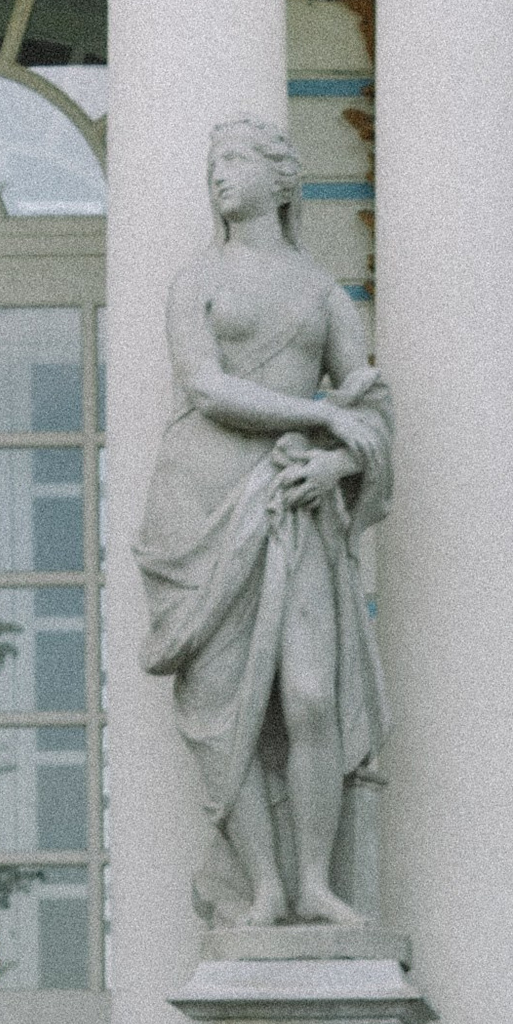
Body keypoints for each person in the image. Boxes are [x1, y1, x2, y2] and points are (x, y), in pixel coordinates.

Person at [134, 112, 391, 930]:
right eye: (215, 161)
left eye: (237, 159)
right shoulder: (195, 281)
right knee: (222, 709)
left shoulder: (322, 293)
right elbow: (205, 387)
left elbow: (371, 406)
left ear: (282, 179)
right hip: (199, 501)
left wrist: (337, 464)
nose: (220, 174)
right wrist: (318, 415)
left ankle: (314, 882)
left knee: (310, 696)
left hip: (293, 499)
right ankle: (266, 887)